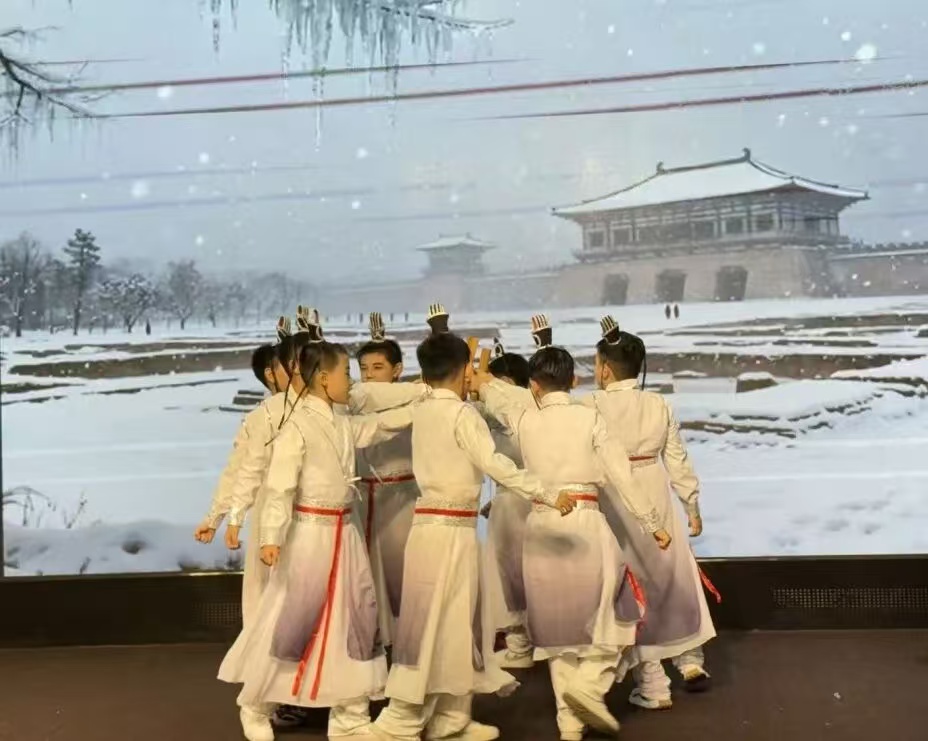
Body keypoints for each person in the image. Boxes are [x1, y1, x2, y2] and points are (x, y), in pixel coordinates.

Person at [372, 304, 577, 741]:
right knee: (432, 621)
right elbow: (494, 462)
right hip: (445, 532)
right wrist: (544, 492)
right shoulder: (459, 414)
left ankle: (451, 717)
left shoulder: (424, 407)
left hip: (444, 529)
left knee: (455, 622)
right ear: (464, 370)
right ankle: (400, 720)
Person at [218, 318, 421, 741]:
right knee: (293, 618)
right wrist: (271, 537)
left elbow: (377, 426)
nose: (352, 381)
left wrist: (426, 404)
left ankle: (350, 714)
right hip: (309, 534)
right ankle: (256, 704)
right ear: (324, 378)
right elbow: (279, 487)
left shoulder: (341, 421)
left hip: (345, 533)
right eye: (347, 372)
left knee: (356, 616)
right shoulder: (295, 426)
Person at [474, 315, 671, 741]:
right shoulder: (589, 418)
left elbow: (496, 393)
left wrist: (481, 377)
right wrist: (652, 523)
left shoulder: (525, 418)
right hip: (585, 523)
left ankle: (569, 724)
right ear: (576, 380)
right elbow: (621, 474)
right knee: (616, 612)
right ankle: (589, 686)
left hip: (541, 527)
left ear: (534, 386)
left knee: (557, 631)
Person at [584, 315, 717, 711]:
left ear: (605, 369)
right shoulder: (658, 403)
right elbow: (677, 460)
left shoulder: (590, 405)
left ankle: (654, 681)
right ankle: (690, 660)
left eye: (596, 363)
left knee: (631, 585)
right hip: (655, 490)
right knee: (671, 574)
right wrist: (691, 505)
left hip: (616, 498)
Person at [194, 319, 291, 550]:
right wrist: (217, 517)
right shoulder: (261, 417)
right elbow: (240, 470)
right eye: (289, 364)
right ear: (270, 374)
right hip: (272, 516)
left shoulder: (315, 408)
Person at [354, 312, 419, 649]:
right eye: (363, 368)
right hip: (364, 499)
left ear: (397, 369)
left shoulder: (416, 397)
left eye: (377, 367)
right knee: (366, 575)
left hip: (403, 499)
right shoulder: (354, 402)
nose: (368, 375)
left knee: (403, 573)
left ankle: (410, 641)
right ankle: (374, 640)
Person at [476, 339, 535, 670]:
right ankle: (521, 643)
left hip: (524, 501)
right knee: (510, 573)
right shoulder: (491, 414)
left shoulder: (520, 411)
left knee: (519, 572)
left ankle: (526, 643)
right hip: (510, 502)